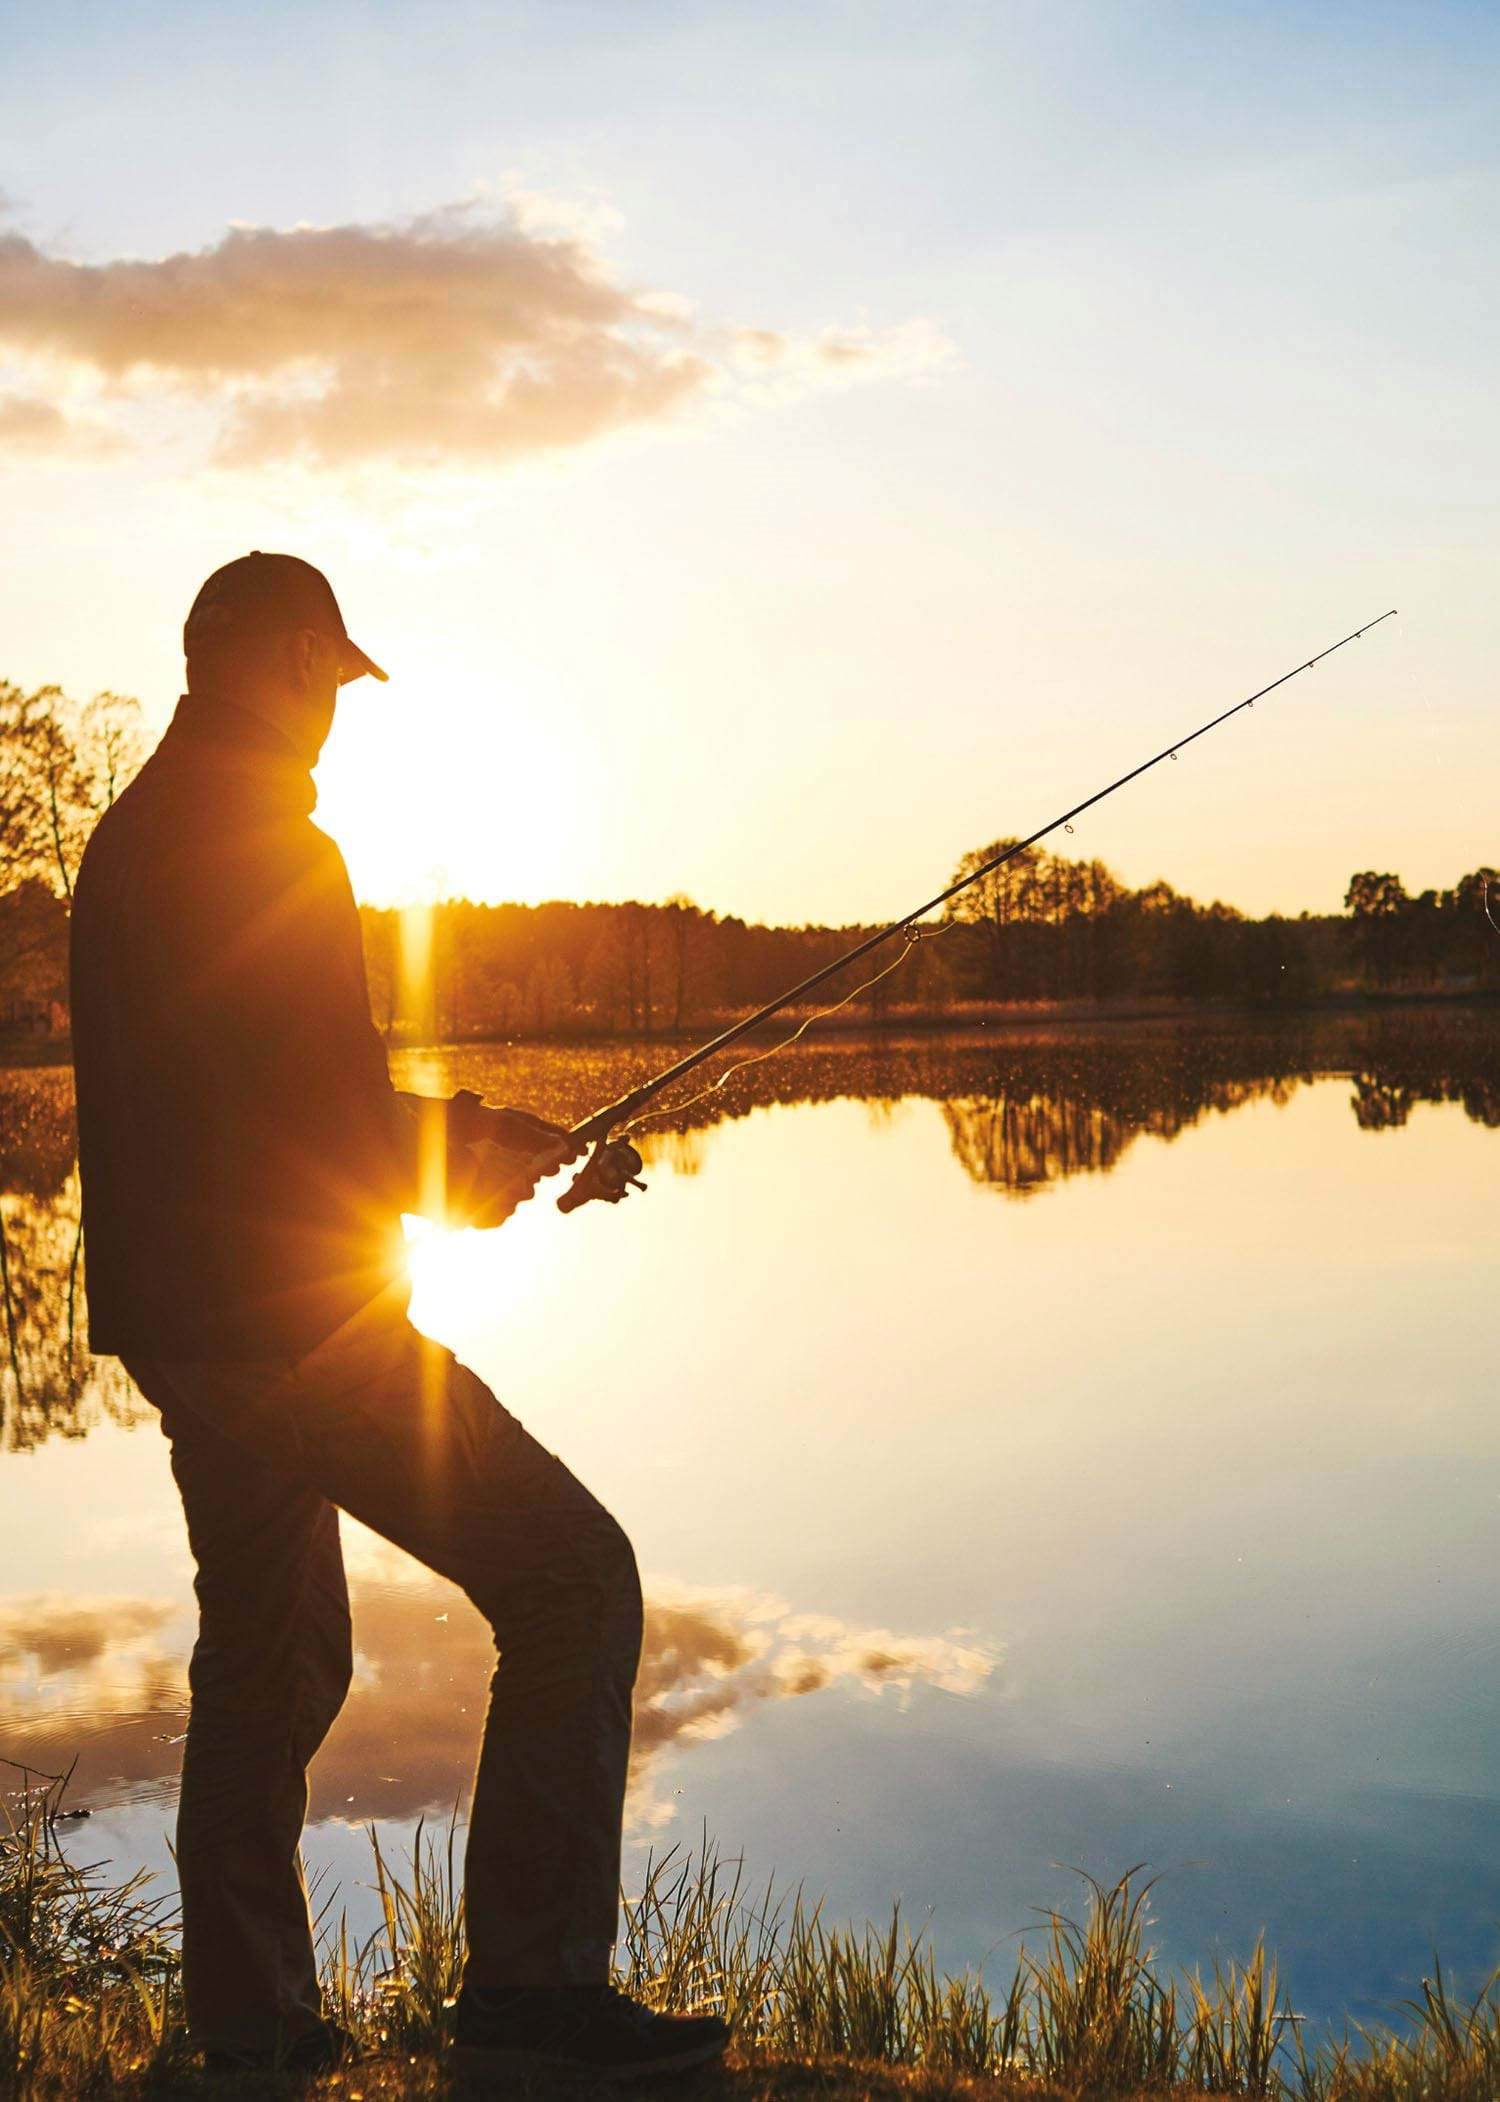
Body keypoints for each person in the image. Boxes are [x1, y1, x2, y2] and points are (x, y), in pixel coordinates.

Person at [68, 552, 729, 2080]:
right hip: (296, 1327)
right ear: (296, 658)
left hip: (189, 1327)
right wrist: (481, 1153)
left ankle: (251, 2021)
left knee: (273, 1659)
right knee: (575, 1581)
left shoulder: (133, 836)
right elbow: (326, 1127)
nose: (340, 714)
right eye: (337, 679)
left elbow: (272, 1112)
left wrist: (484, 1149)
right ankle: (530, 2010)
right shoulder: (265, 842)